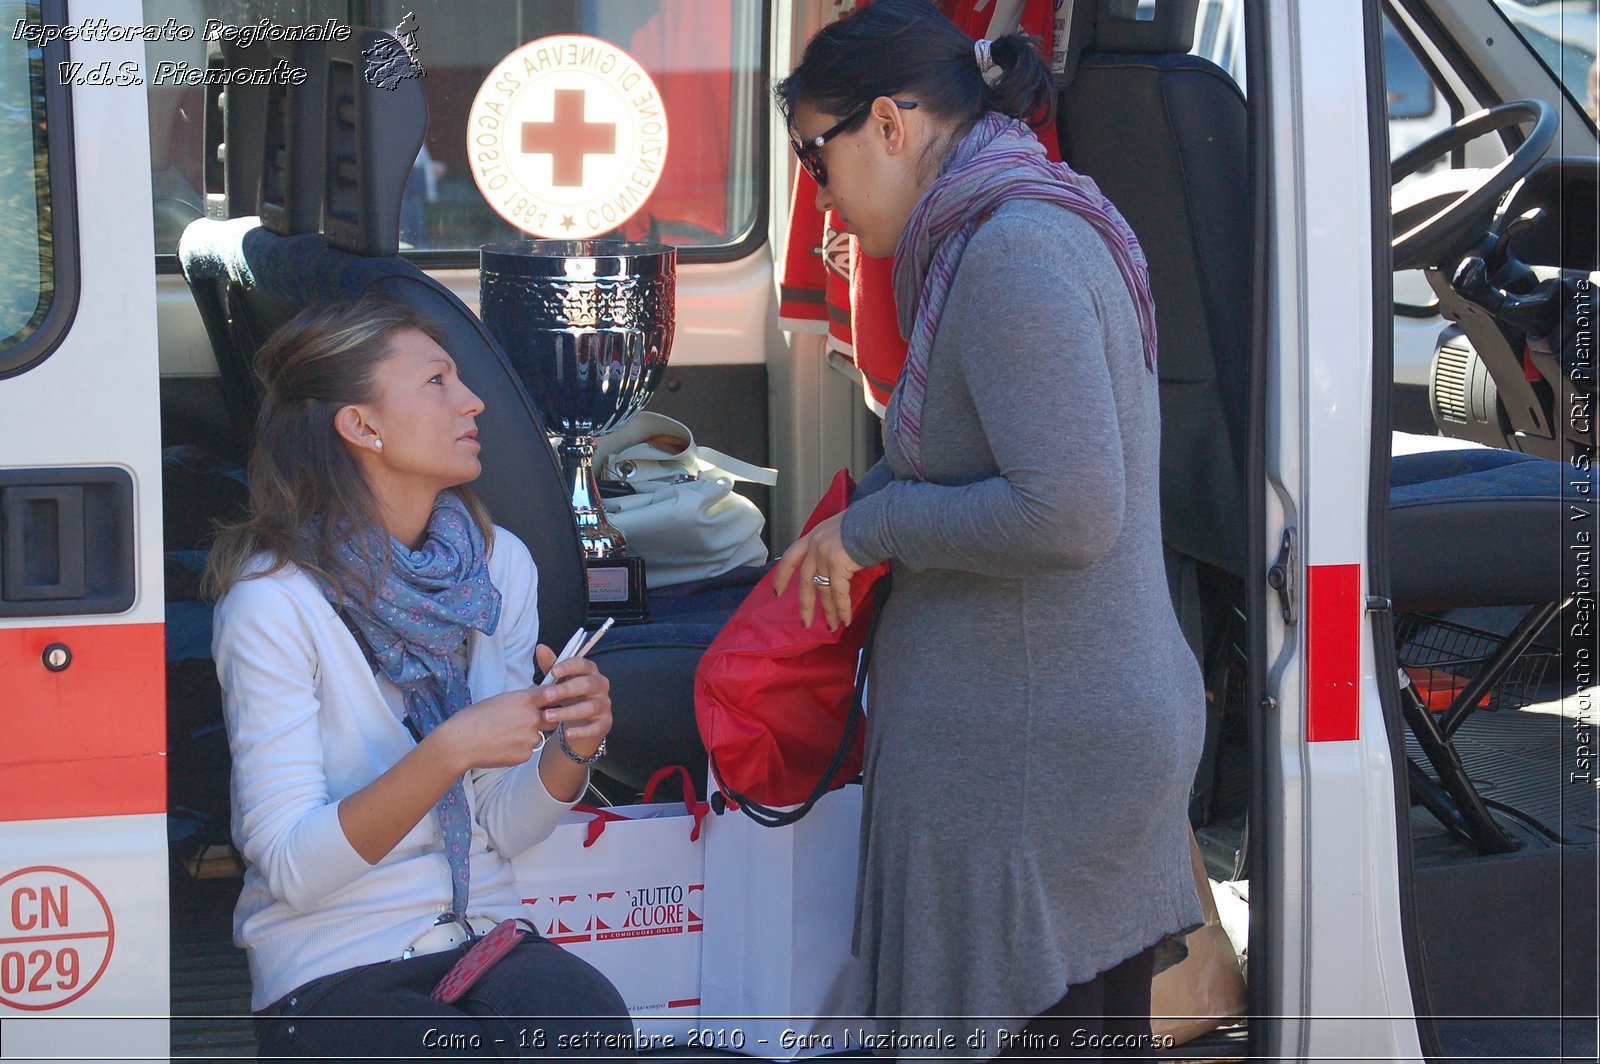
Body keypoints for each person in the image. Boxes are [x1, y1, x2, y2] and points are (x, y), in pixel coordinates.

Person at [771, 1, 1207, 1057]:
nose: (816, 195)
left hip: (1041, 765)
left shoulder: (1012, 252)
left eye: (813, 156)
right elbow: (973, 460)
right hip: (1047, 742)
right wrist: (867, 514)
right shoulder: (985, 231)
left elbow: (1066, 510)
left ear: (888, 123)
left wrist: (873, 534)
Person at [205, 298, 632, 1058]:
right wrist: (450, 749)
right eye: (437, 381)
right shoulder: (273, 602)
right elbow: (295, 871)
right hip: (335, 959)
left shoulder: (497, 566)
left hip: (483, 939)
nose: (472, 401)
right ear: (361, 426)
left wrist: (572, 744)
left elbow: (501, 826)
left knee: (587, 1018)